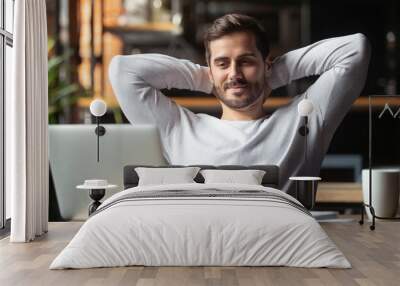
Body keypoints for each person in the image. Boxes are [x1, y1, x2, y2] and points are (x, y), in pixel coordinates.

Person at [109, 14, 370, 195]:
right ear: (210, 71)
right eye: (223, 63)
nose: (234, 73)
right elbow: (123, 71)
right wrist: (207, 78)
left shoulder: (304, 121)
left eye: (246, 61)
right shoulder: (177, 128)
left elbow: (354, 50)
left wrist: (272, 75)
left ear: (266, 64)